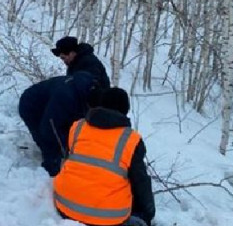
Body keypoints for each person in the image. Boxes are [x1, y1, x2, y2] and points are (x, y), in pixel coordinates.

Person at [54, 88, 155, 226]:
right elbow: (141, 182)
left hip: (64, 205)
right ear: (125, 110)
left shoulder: (77, 127)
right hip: (107, 218)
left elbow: (70, 160)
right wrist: (147, 215)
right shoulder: (131, 139)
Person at [18, 36, 109, 176]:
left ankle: (68, 163)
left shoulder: (88, 66)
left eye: (64, 57)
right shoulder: (76, 68)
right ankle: (52, 171)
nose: (64, 61)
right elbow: (51, 127)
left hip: (92, 104)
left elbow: (89, 93)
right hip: (32, 105)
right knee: (49, 135)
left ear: (73, 52)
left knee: (63, 132)